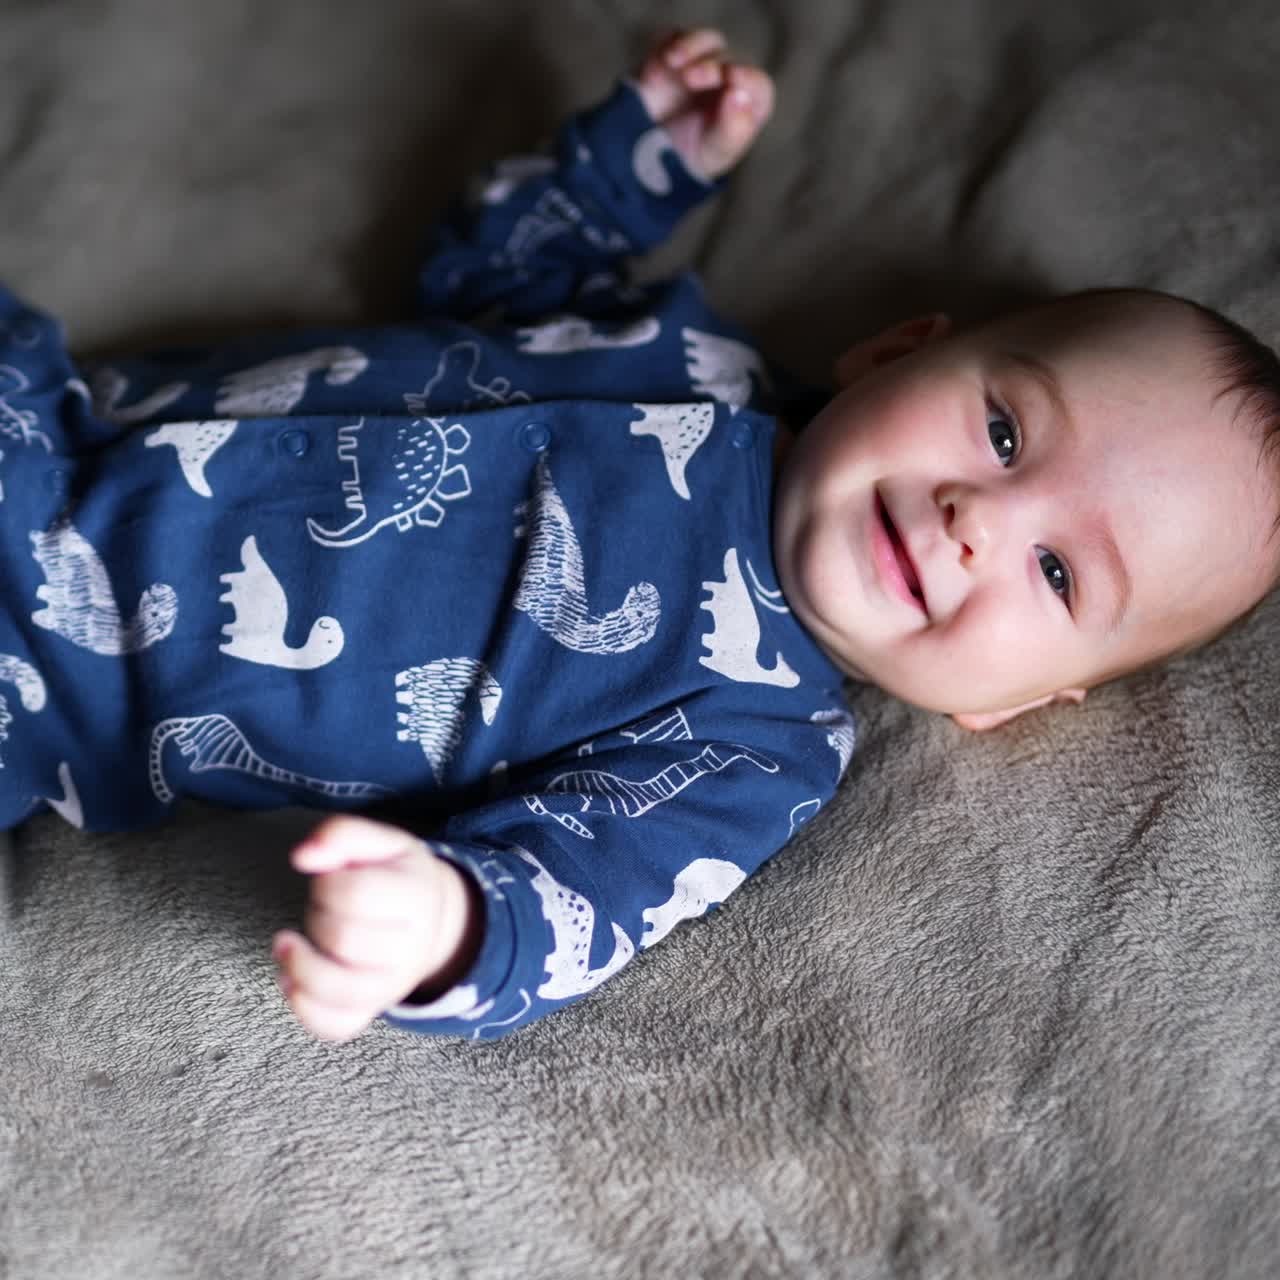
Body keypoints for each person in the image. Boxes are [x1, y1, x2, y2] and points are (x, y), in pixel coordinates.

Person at [1, 30, 1276, 1043]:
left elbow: (575, 902)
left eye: (1055, 573)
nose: (976, 522)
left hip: (56, 681)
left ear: (1012, 702)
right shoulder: (691, 352)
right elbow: (478, 283)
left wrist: (443, 926)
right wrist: (625, 172)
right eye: (1002, 431)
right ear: (896, 350)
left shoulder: (751, 743)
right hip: (51, 406)